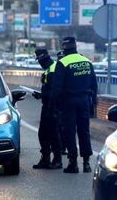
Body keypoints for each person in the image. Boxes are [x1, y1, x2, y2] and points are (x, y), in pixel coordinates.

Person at [50, 37, 97, 174]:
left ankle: (73, 163)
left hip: (68, 102)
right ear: (76, 47)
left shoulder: (63, 63)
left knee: (69, 132)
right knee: (84, 131)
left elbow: (56, 88)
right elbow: (94, 84)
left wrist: (52, 105)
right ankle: (87, 163)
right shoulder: (87, 62)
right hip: (84, 101)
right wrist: (93, 102)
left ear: (64, 48)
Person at [32, 49, 63, 170]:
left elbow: (55, 92)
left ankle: (57, 159)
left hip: (54, 107)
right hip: (47, 105)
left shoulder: (54, 69)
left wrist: (43, 95)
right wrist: (41, 95)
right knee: (43, 133)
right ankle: (45, 158)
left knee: (54, 133)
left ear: (45, 58)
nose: (40, 63)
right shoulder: (48, 70)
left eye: (41, 60)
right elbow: (48, 91)